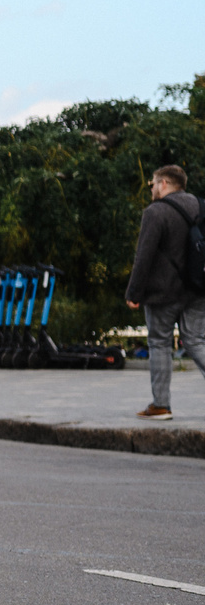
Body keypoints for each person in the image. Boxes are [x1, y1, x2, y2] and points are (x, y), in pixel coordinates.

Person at [126, 163, 205, 419]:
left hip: (163, 292)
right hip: (198, 289)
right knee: (195, 341)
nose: (151, 188)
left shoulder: (156, 212)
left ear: (164, 184)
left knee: (159, 342)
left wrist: (134, 293)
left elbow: (144, 255)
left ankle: (161, 405)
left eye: (153, 184)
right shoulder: (201, 206)